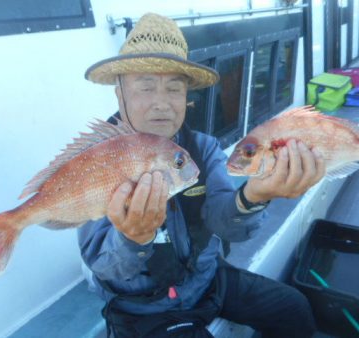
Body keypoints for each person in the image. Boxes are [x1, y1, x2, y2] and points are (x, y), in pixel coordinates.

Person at [78, 12, 325, 338]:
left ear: (186, 98)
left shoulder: (203, 149)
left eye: (174, 88)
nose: (162, 104)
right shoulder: (97, 160)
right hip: (144, 309)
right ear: (120, 93)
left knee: (294, 307)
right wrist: (132, 239)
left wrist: (253, 197)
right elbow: (104, 267)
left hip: (208, 281)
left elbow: (224, 223)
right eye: (146, 86)